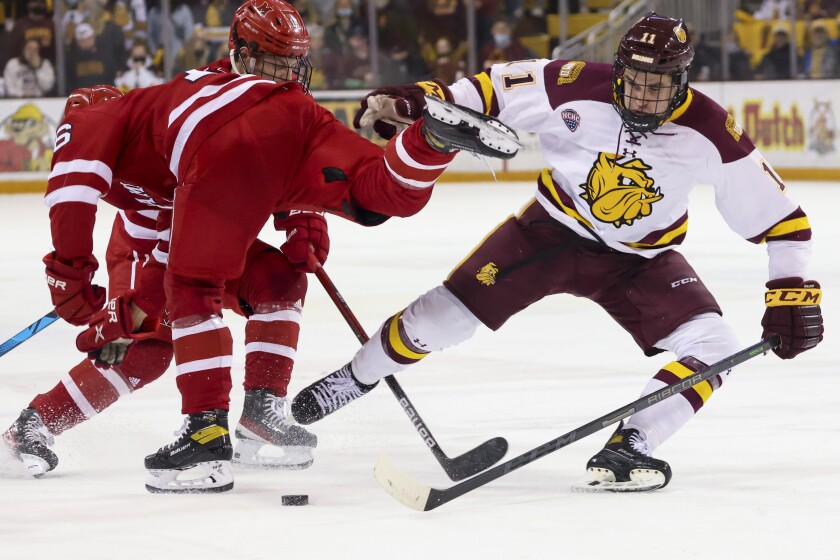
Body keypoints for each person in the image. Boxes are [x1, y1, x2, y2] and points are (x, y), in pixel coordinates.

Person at [291, 12, 824, 492]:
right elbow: (488, 91)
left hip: (640, 260)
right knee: (442, 318)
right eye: (634, 81)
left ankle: (629, 446)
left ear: (682, 80)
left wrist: (791, 293)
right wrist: (417, 100)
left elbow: (781, 218)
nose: (641, 96)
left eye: (657, 86)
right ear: (617, 71)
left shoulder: (710, 129)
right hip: (547, 233)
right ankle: (354, 377)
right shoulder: (570, 83)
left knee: (715, 345)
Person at [3, 0, 517, 493]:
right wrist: (115, 311)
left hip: (207, 214)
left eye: (290, 64)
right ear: (245, 54)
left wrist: (299, 212)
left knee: (279, 277)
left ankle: (259, 412)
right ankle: (36, 424)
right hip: (153, 252)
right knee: (145, 352)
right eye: (273, 63)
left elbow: (246, 154)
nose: (284, 75)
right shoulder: (118, 154)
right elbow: (125, 224)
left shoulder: (216, 96)